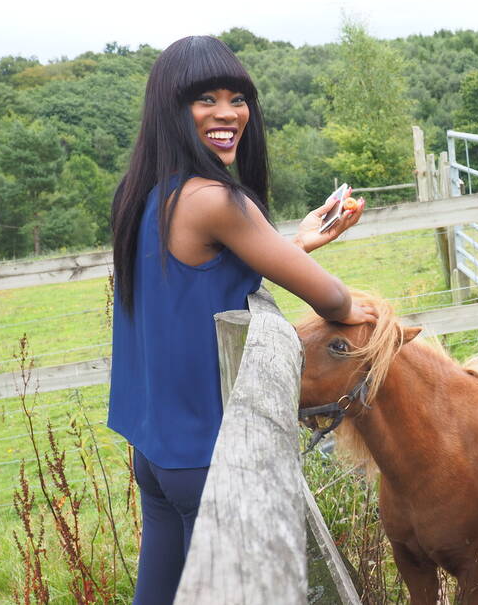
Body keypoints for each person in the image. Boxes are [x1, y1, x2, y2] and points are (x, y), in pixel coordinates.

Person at [108, 35, 376, 604]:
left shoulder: (147, 194)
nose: (228, 113)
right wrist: (368, 314)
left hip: (157, 452)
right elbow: (334, 302)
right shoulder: (215, 200)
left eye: (238, 98)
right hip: (208, 454)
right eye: (206, 99)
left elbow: (202, 280)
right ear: (172, 109)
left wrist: (296, 243)